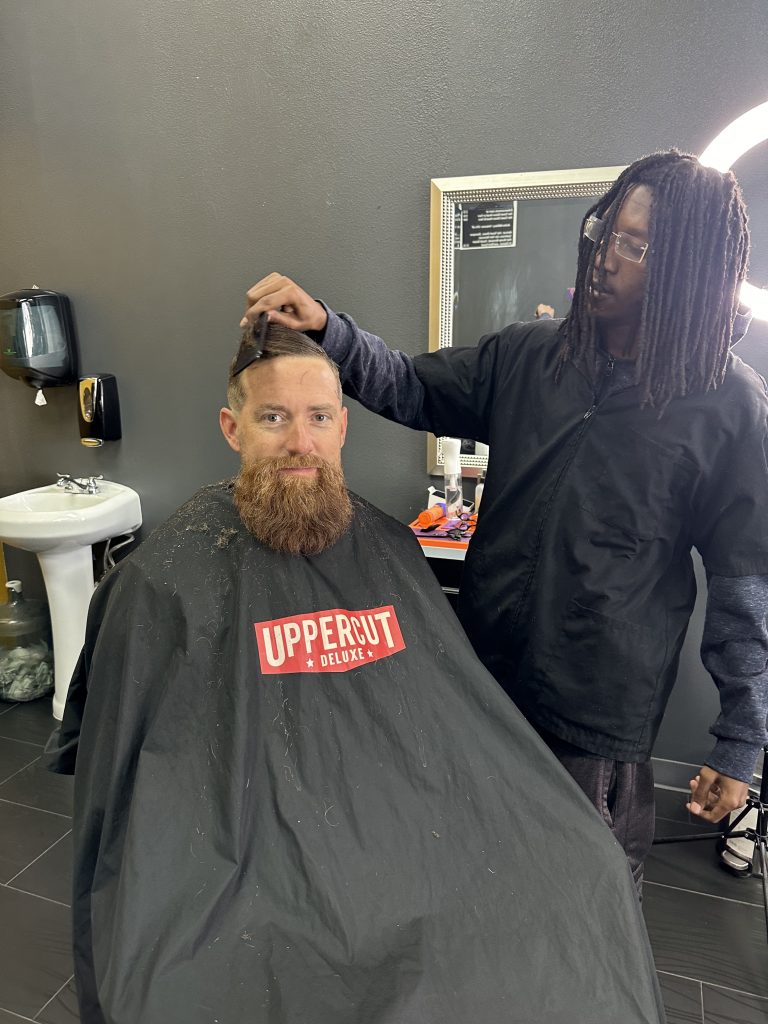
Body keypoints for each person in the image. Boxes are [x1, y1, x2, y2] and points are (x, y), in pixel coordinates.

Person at [46, 322, 665, 1024]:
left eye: (317, 418)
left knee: (587, 868)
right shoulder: (162, 581)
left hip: (405, 821)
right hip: (250, 852)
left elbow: (454, 715)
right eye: (273, 417)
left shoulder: (390, 549)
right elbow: (121, 783)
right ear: (232, 427)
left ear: (343, 428)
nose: (300, 442)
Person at [242, 150, 768, 891]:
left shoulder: (730, 407)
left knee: (578, 898)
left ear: (693, 270)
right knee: (472, 867)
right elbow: (409, 385)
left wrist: (741, 742)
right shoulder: (532, 356)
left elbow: (745, 588)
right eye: (608, 231)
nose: (604, 256)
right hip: (484, 677)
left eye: (638, 246)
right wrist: (328, 327)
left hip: (595, 715)